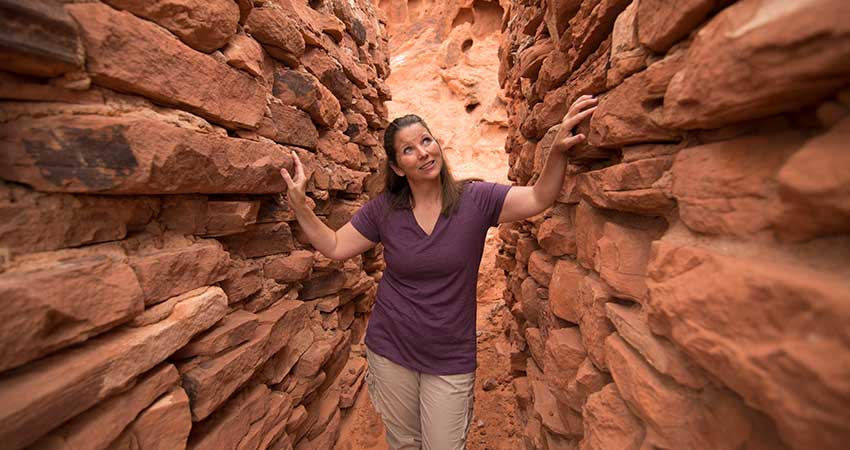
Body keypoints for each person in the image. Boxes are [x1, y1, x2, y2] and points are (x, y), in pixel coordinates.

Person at [279, 95, 598, 450]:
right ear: (398, 167)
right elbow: (336, 246)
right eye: (409, 149)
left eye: (426, 140)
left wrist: (556, 149)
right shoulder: (383, 211)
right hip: (391, 349)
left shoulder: (476, 200)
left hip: (450, 355)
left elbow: (540, 197)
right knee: (405, 444)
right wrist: (300, 205)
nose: (423, 152)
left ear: (438, 145)